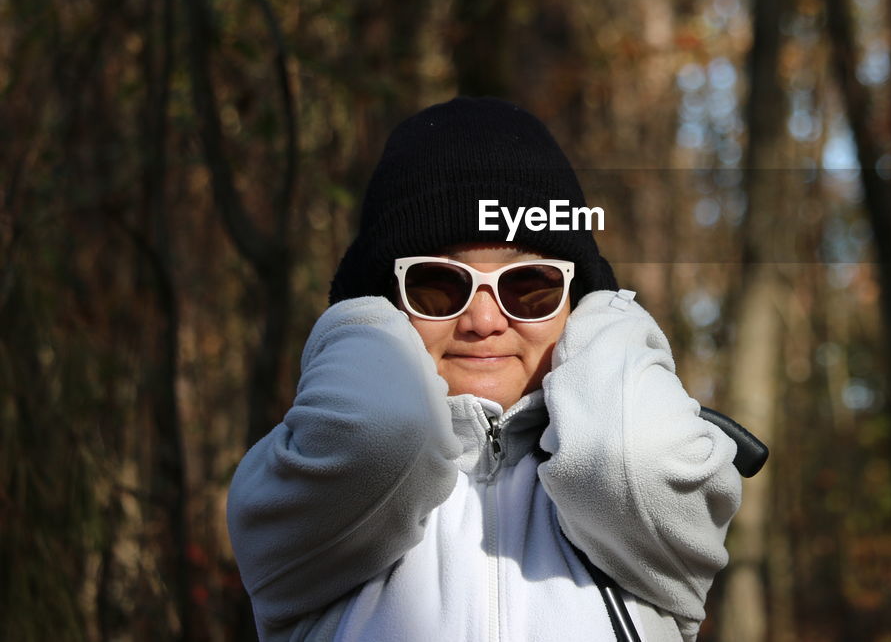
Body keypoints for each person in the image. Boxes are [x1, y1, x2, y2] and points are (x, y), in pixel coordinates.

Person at [226, 97, 743, 642]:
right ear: (383, 305)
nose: (482, 320)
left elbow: (628, 461)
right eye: (437, 284)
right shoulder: (308, 502)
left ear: (578, 304)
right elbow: (380, 437)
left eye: (531, 286)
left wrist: (607, 308)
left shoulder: (649, 525)